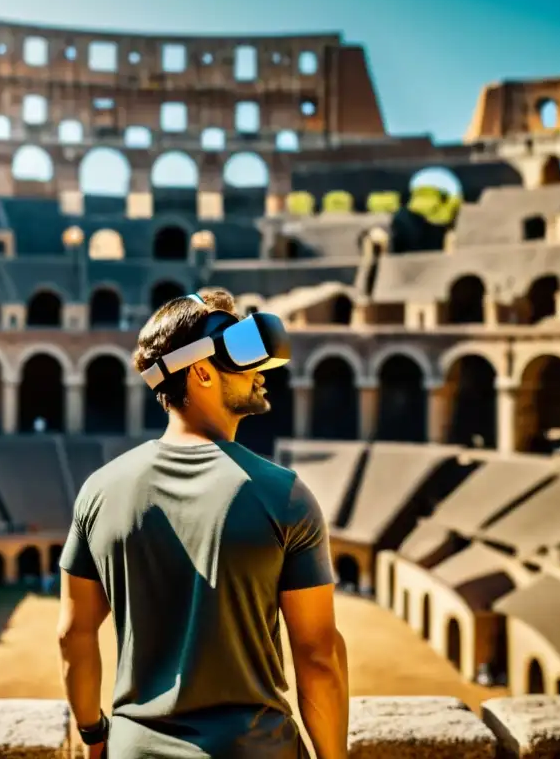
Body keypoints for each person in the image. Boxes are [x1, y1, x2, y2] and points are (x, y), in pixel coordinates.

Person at [57, 287, 349, 758]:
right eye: (240, 353)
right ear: (200, 372)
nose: (259, 369)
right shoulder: (284, 496)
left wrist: (94, 735)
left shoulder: (99, 490)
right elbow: (318, 656)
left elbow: (73, 633)